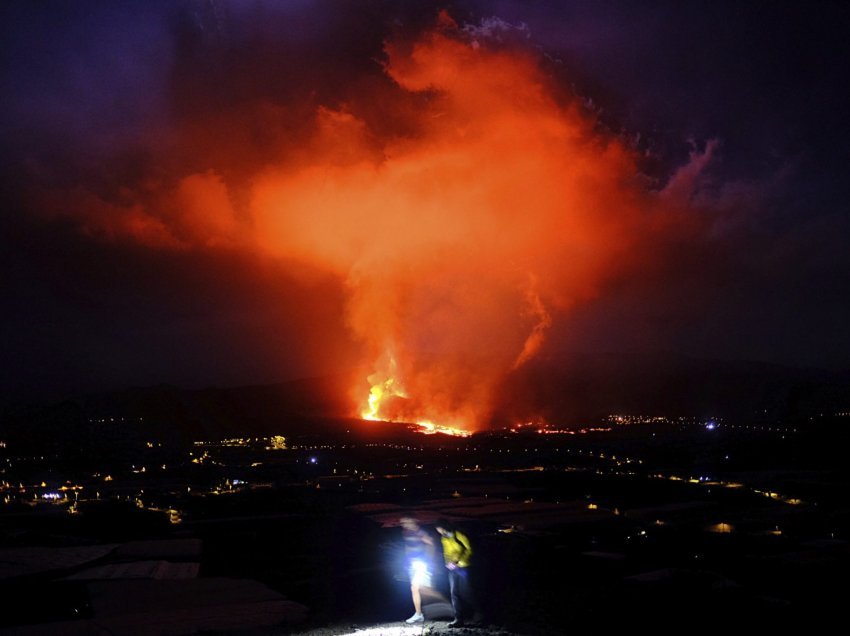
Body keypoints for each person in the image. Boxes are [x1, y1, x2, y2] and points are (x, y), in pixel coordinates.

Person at [436, 519, 481, 627]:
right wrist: (448, 564)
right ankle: (458, 619)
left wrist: (458, 560)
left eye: (439, 528)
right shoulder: (444, 538)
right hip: (452, 568)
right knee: (454, 593)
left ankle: (479, 614)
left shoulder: (458, 534)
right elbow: (446, 553)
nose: (438, 531)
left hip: (464, 567)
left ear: (444, 527)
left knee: (467, 592)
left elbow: (469, 549)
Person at [400, 516, 434, 624]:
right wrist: (407, 560)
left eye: (406, 521)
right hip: (412, 564)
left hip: (421, 563)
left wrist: (428, 560)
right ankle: (419, 613)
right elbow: (407, 547)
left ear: (413, 521)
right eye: (402, 522)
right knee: (415, 588)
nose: (404, 524)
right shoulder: (406, 532)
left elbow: (431, 543)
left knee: (416, 587)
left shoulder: (420, 532)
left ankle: (421, 613)